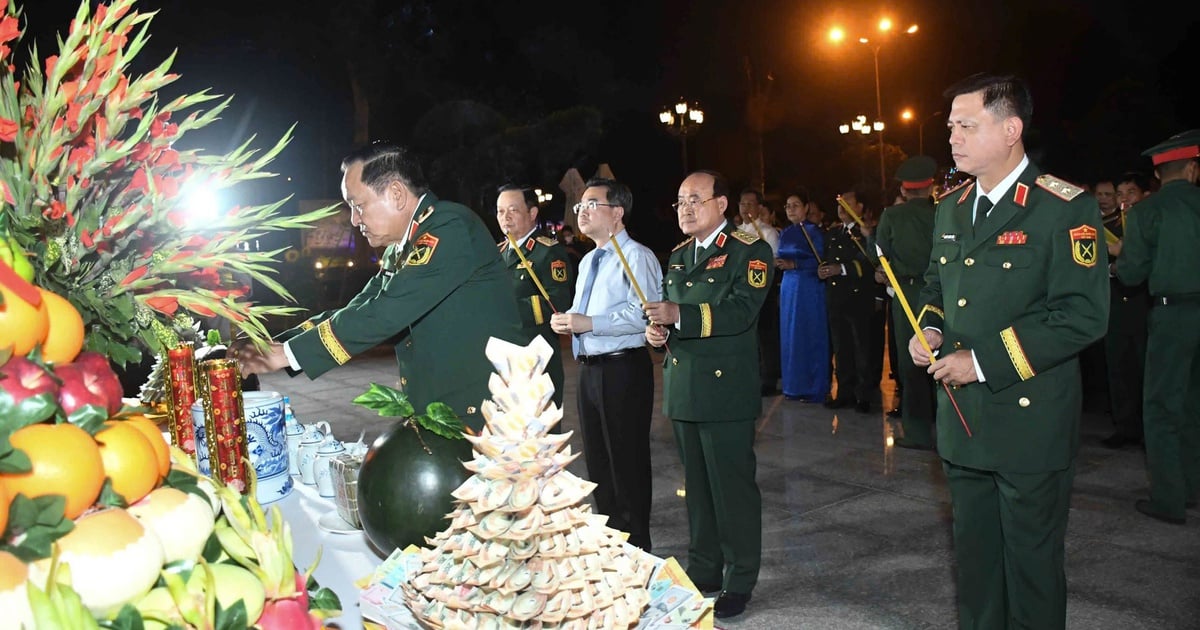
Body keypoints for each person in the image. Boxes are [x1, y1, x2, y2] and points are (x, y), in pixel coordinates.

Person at [910, 73, 1108, 629]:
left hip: (1029, 421)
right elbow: (934, 289)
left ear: (1011, 129)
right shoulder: (951, 207)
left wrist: (981, 362)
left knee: (1031, 570)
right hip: (962, 420)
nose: (953, 138)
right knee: (975, 568)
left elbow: (1082, 316)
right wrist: (928, 331)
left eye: (967, 126)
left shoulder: (1063, 208)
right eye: (951, 126)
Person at [230, 142, 524, 432]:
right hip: (445, 410)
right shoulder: (402, 248)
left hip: (485, 414)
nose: (355, 220)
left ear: (396, 193)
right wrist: (272, 343)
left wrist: (286, 354)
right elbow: (359, 308)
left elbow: (386, 312)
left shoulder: (449, 226)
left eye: (358, 206)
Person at [644, 170, 772, 620]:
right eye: (680, 201)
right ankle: (705, 569)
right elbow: (668, 311)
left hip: (724, 389)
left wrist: (680, 314)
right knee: (696, 488)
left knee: (731, 488)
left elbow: (740, 311)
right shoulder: (678, 255)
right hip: (684, 388)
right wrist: (658, 331)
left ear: (722, 203)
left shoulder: (749, 252)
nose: (686, 208)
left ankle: (739, 579)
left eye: (696, 199)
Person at [549, 177, 661, 551]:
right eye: (580, 205)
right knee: (599, 463)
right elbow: (586, 314)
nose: (581, 211)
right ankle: (614, 542)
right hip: (590, 370)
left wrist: (590, 323)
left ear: (617, 212)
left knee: (626, 461)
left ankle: (638, 549)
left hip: (622, 368)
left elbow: (646, 314)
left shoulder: (637, 257)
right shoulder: (589, 262)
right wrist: (568, 320)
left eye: (591, 204)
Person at [1115, 129, 1200, 524]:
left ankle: (1169, 499)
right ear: (1193, 169)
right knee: (1194, 405)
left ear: (1158, 174)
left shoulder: (1147, 212)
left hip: (1171, 317)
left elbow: (1132, 274)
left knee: (1163, 407)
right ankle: (1193, 486)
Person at [873, 156, 938, 449]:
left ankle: (918, 433)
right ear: (930, 186)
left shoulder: (892, 216)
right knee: (943, 359)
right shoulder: (945, 213)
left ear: (904, 190)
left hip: (908, 293)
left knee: (913, 365)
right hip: (942, 293)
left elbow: (879, 254)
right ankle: (949, 430)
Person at [495, 184, 575, 410]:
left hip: (535, 360)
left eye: (513, 210)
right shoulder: (499, 254)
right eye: (500, 211)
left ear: (532, 214)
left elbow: (557, 303)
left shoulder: (547, 251)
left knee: (540, 437)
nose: (505, 217)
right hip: (503, 361)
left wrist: (505, 312)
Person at [1099, 174, 1151, 449]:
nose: (1124, 199)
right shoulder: (1104, 227)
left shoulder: (1150, 222)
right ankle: (1125, 426)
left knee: (1147, 369)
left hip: (1146, 304)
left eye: (1131, 192)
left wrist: (1124, 255)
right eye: (1120, 193)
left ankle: (1148, 428)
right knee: (1119, 367)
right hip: (1117, 303)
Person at [820, 190, 878, 413]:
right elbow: (826, 257)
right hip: (836, 297)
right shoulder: (834, 233)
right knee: (841, 347)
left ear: (861, 207)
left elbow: (870, 262)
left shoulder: (867, 234)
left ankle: (863, 395)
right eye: (839, 204)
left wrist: (841, 269)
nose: (842, 208)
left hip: (858, 297)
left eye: (848, 203)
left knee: (861, 347)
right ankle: (844, 391)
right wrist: (823, 269)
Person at [775, 191, 829, 401]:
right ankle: (793, 385)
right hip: (789, 286)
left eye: (796, 205)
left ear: (806, 208)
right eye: (788, 206)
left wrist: (796, 264)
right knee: (790, 336)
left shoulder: (814, 232)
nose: (791, 209)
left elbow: (820, 261)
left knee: (810, 334)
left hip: (808, 287)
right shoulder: (786, 232)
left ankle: (814, 386)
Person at [739, 188, 782, 395]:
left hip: (763, 292)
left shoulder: (768, 232)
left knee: (766, 338)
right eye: (742, 203)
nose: (745, 207)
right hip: (740, 293)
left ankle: (769, 379)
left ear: (759, 207)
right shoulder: (734, 231)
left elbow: (771, 263)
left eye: (750, 204)